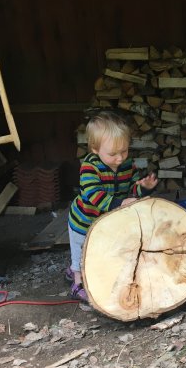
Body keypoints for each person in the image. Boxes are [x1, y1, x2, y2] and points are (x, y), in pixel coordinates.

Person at [66, 110, 158, 301]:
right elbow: (93, 195)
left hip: (107, 219)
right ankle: (77, 282)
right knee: (81, 252)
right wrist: (119, 203)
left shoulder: (127, 165)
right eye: (113, 154)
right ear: (95, 149)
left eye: (124, 151)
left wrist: (143, 189)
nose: (120, 158)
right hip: (83, 221)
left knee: (103, 248)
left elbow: (132, 191)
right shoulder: (90, 167)